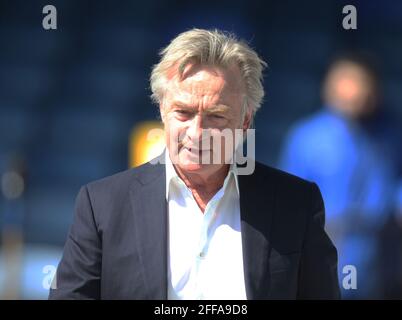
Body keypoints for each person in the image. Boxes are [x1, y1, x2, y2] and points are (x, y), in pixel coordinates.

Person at [49, 29, 340, 300]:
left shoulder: (296, 204)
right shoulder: (101, 205)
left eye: (216, 116)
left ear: (245, 121)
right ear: (162, 109)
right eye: (183, 113)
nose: (197, 133)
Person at [279, 53, 400, 298]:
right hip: (323, 245)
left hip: (377, 249)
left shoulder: (391, 135)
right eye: (345, 80)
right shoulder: (307, 136)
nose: (353, 90)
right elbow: (286, 200)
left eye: (360, 81)